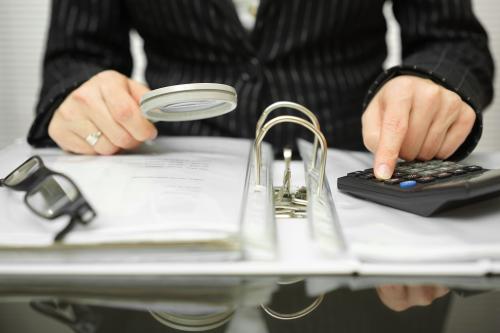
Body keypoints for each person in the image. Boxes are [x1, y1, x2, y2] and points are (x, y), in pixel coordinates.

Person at [28, 0, 494, 180]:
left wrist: (432, 81)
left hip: (357, 172)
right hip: (173, 182)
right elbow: (74, 59)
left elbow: (451, 39)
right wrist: (78, 95)